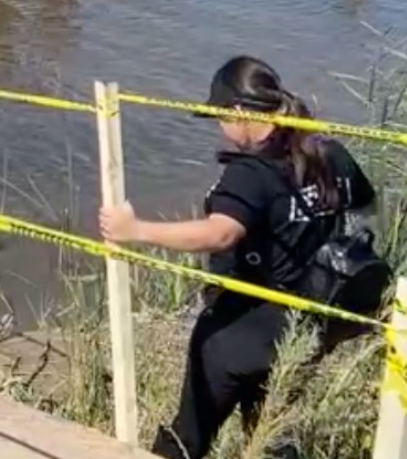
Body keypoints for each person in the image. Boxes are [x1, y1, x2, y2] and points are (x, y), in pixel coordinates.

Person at [100, 57, 382, 459]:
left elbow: (221, 233)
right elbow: (369, 211)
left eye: (218, 118)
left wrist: (136, 230)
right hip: (302, 327)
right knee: (270, 434)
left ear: (236, 111)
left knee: (187, 438)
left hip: (236, 331)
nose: (221, 130)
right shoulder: (329, 153)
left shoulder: (250, 172)